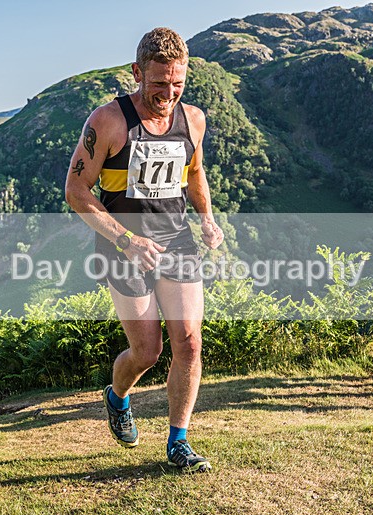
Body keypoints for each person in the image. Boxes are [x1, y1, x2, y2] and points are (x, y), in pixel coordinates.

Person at [65, 28, 224, 473]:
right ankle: (117, 397)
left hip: (176, 240)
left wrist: (207, 218)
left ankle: (178, 443)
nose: (168, 94)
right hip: (122, 245)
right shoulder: (108, 121)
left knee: (189, 343)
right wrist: (127, 241)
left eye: (177, 84)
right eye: (158, 84)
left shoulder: (193, 119)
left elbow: (194, 173)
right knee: (147, 351)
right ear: (138, 73)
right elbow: (76, 190)